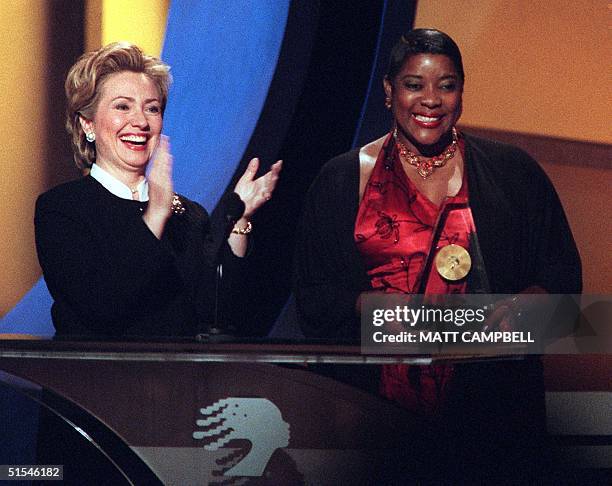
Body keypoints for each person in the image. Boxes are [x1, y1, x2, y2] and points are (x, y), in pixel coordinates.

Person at [294, 29, 581, 477]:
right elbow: (314, 298)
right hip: (377, 419)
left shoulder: (514, 173)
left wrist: (526, 308)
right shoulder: (340, 179)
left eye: (446, 85)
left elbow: (565, 285)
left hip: (495, 415)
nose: (431, 99)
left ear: (461, 93)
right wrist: (376, 310)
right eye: (414, 85)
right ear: (389, 91)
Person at [35, 42, 282, 337]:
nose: (140, 122)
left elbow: (214, 312)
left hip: (178, 381)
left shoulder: (187, 214)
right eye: (122, 106)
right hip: (95, 381)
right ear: (87, 124)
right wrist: (155, 215)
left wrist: (240, 220)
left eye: (151, 108)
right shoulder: (63, 208)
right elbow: (99, 305)